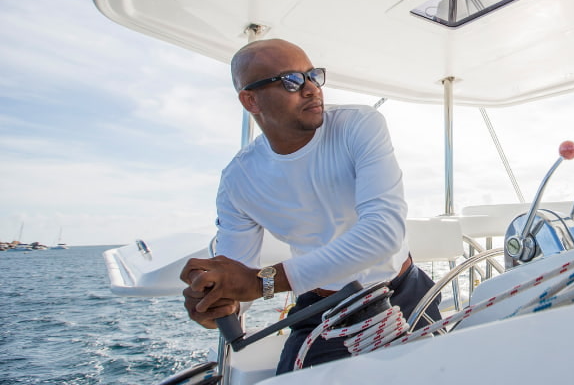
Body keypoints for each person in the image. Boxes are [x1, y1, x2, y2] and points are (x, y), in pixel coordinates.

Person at [179, 39, 441, 374]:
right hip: (324, 309)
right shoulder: (237, 181)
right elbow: (236, 274)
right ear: (251, 100)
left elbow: (383, 233)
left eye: (313, 76)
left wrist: (264, 283)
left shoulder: (358, 125)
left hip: (405, 290)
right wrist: (214, 302)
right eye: (291, 81)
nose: (311, 89)